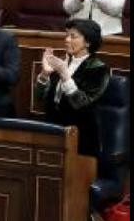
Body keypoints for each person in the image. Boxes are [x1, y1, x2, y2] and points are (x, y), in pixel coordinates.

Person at [34, 19, 110, 158]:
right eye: (66, 35)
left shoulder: (98, 69)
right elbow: (40, 100)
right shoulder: (62, 62)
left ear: (88, 42)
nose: (67, 40)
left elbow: (82, 104)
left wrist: (65, 76)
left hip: (81, 139)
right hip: (53, 133)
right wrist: (45, 75)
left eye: (73, 36)